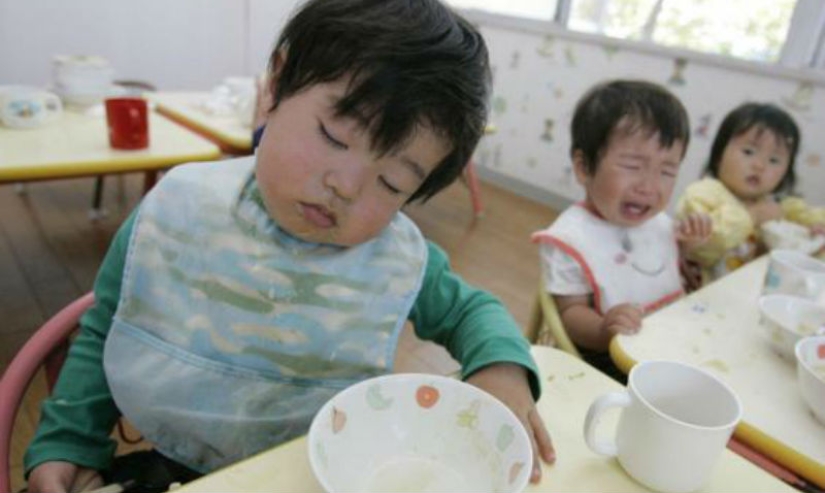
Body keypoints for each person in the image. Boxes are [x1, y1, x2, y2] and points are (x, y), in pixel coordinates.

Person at [24, 1, 555, 491]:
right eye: (334, 136)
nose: (346, 186)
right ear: (274, 87)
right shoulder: (178, 207)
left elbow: (473, 310)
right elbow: (109, 327)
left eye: (392, 183)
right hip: (172, 464)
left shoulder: (394, 258)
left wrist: (502, 368)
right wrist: (68, 440)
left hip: (313, 469)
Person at [532, 79, 711, 381]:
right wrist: (604, 330)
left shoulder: (659, 223)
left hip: (670, 342)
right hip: (608, 360)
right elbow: (571, 314)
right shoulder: (569, 238)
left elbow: (662, 269)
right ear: (584, 167)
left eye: (667, 171)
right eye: (632, 165)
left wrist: (689, 248)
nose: (649, 186)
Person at [677, 102, 825, 283]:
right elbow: (703, 249)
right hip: (704, 299)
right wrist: (751, 216)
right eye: (748, 152)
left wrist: (815, 233)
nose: (759, 165)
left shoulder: (781, 206)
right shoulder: (702, 195)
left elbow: (812, 220)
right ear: (719, 153)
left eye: (774, 160)